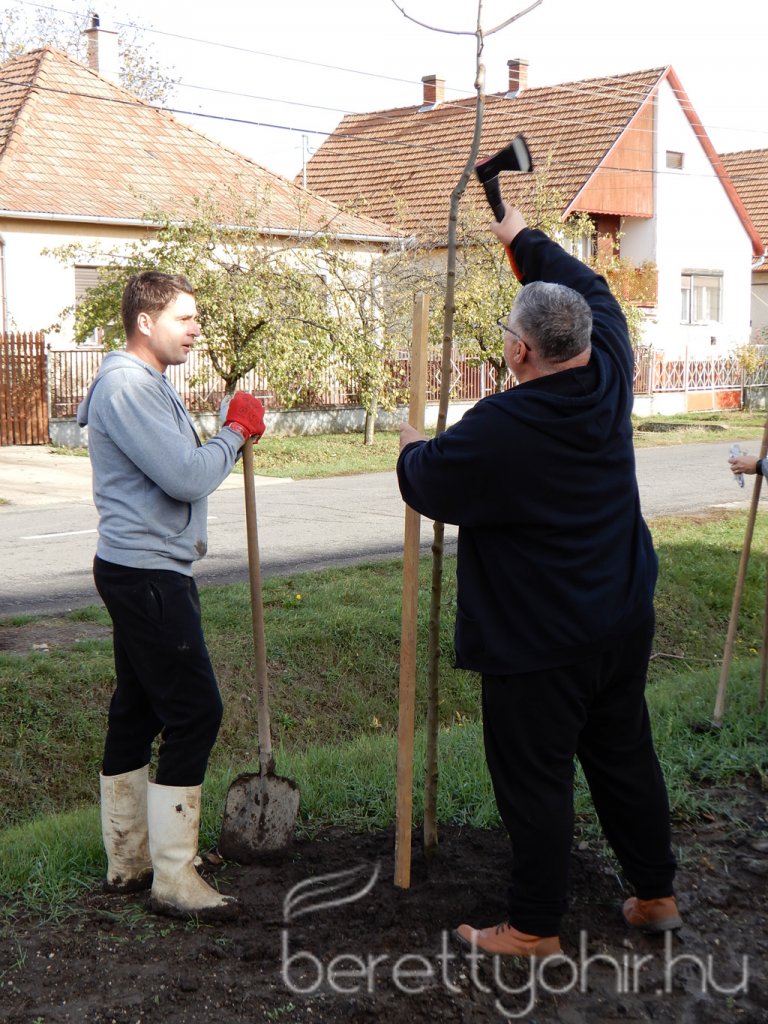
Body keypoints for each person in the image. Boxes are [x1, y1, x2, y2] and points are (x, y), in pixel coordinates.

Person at [396, 206, 681, 957]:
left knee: (535, 779)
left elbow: (428, 481)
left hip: (540, 643)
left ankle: (532, 927)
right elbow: (588, 282)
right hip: (619, 619)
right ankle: (655, 894)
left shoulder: (502, 428)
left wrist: (410, 446)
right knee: (623, 753)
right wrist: (519, 235)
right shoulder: (610, 367)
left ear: (520, 351)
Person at [77, 271, 266, 921]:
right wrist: (234, 435)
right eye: (184, 318)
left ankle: (128, 862)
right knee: (195, 711)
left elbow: (180, 464)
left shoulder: (149, 385)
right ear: (145, 322)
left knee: (136, 709)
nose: (196, 329)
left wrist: (226, 428)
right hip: (149, 574)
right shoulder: (128, 387)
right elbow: (187, 477)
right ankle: (174, 878)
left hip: (146, 569)